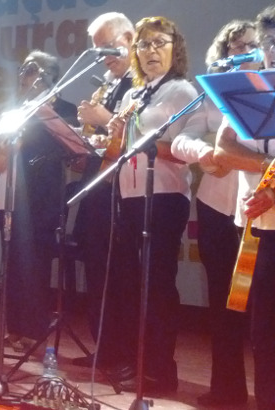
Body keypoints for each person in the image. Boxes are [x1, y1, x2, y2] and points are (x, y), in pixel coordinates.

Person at [106, 16, 207, 395]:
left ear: (174, 48)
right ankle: (139, 362)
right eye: (144, 44)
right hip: (130, 196)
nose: (151, 51)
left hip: (164, 197)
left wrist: (138, 136)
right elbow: (118, 153)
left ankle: (162, 371)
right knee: (134, 286)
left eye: (159, 43)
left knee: (158, 286)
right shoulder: (135, 94)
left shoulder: (182, 91)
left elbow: (181, 152)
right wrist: (116, 134)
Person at [172, 19, 257, 407]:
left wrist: (234, 156)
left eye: (251, 46)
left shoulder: (266, 95)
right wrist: (204, 153)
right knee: (223, 305)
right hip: (214, 207)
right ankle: (227, 390)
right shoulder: (208, 95)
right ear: (222, 55)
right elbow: (180, 139)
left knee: (259, 307)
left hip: (257, 213)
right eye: (234, 47)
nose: (242, 53)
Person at [0, 50, 78, 352]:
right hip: (13, 194)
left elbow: (71, 156)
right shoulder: (15, 110)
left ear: (50, 77)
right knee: (12, 264)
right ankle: (14, 327)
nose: (26, 77)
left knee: (37, 264)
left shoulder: (66, 109)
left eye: (33, 71)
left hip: (45, 197)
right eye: (24, 71)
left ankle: (35, 330)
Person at [214, 6, 275, 409]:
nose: (272, 52)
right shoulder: (248, 90)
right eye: (269, 44)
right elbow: (223, 148)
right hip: (253, 222)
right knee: (261, 329)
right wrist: (268, 170)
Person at [71, 12, 135, 370]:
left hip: (121, 193)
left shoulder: (138, 83)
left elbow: (129, 135)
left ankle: (124, 353)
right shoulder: (109, 82)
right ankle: (105, 348)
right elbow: (104, 141)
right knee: (96, 269)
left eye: (109, 47)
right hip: (96, 188)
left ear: (129, 37)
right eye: (98, 50)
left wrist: (101, 118)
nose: (104, 57)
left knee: (120, 274)